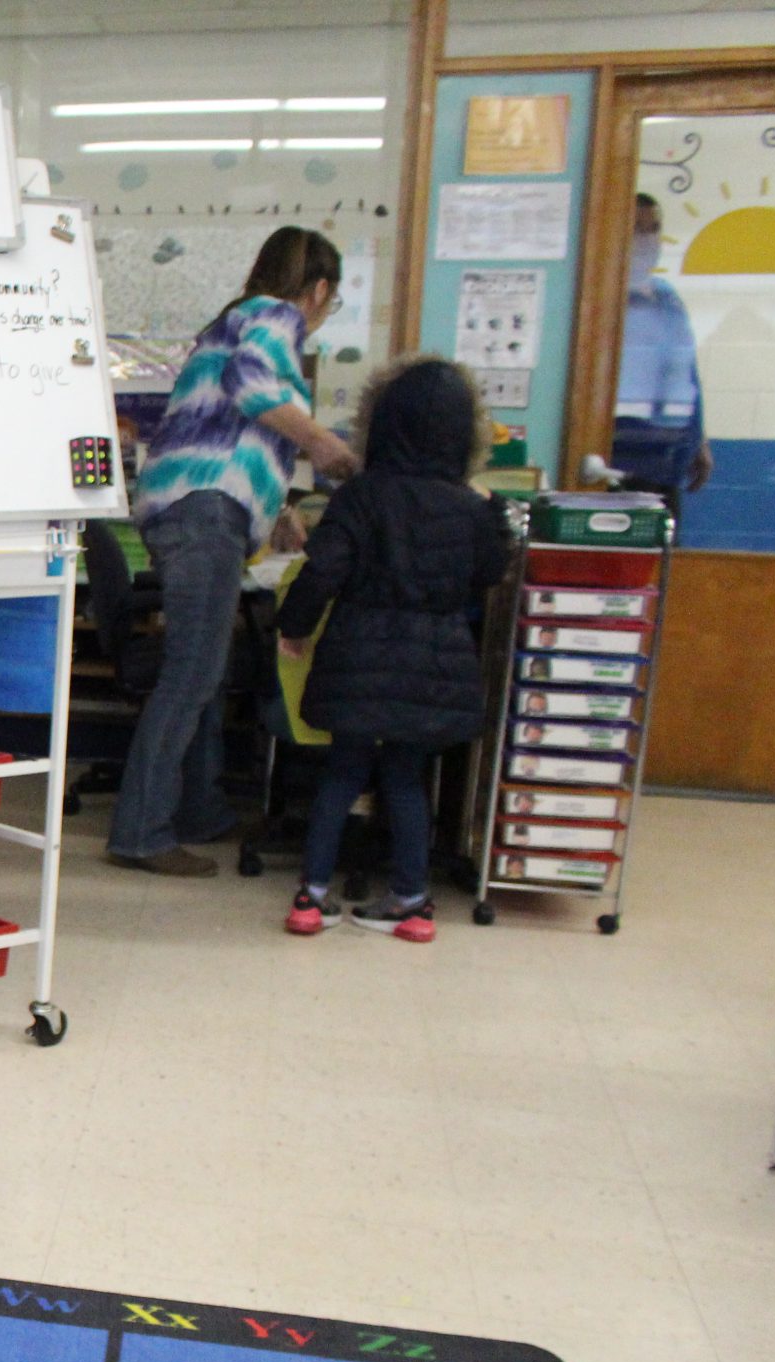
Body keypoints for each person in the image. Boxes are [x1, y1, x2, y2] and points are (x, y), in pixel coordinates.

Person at [110, 227, 359, 877]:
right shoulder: (275, 317)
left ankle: (202, 811)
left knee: (204, 673)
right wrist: (324, 444)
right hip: (202, 513)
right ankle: (141, 831)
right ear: (320, 290)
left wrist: (272, 509)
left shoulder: (234, 320)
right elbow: (254, 390)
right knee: (191, 675)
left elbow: (226, 428)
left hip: (192, 506)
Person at [276, 357, 509, 943]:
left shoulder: (361, 497)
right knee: (405, 778)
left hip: (358, 651)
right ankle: (411, 902)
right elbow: (490, 569)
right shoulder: (470, 506)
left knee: (342, 772)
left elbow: (323, 567)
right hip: (434, 659)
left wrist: (295, 625)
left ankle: (312, 898)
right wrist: (491, 512)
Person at [612, 192, 711, 519]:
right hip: (619, 463)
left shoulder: (667, 298)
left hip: (669, 460)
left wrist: (699, 439)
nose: (647, 239)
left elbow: (686, 372)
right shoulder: (603, 299)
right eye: (637, 230)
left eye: (653, 229)